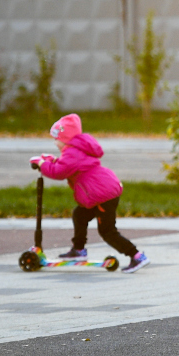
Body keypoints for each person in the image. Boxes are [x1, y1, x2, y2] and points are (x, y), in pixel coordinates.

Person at [30, 113, 150, 274]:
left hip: (102, 196)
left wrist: (42, 164)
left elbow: (59, 172)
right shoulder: (76, 150)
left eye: (56, 139)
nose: (55, 143)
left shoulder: (72, 152)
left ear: (65, 138)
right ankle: (78, 250)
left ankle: (136, 256)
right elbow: (66, 165)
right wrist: (51, 160)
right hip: (101, 192)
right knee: (80, 215)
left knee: (107, 232)